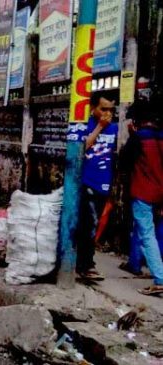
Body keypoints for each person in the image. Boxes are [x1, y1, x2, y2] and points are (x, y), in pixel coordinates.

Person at [118, 99, 163, 295]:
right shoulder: (160, 136)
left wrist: (130, 135)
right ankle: (135, 263)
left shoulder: (139, 138)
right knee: (152, 230)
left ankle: (160, 278)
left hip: (144, 191)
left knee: (146, 232)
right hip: (161, 191)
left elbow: (123, 162)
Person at [74, 94, 118, 281]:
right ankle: (86, 266)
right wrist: (100, 127)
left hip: (104, 183)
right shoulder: (85, 125)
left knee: (93, 226)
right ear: (93, 108)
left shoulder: (116, 128)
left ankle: (84, 263)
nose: (107, 113)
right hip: (87, 181)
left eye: (110, 110)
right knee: (88, 225)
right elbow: (81, 149)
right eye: (103, 109)